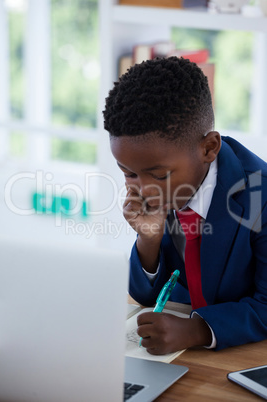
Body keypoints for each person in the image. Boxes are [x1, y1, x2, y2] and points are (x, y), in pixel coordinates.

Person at [103, 56, 267, 354]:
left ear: (209, 148)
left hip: (246, 355)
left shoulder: (261, 195)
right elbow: (144, 294)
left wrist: (197, 329)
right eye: (128, 172)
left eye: (158, 174)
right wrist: (148, 240)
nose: (143, 188)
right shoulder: (166, 184)